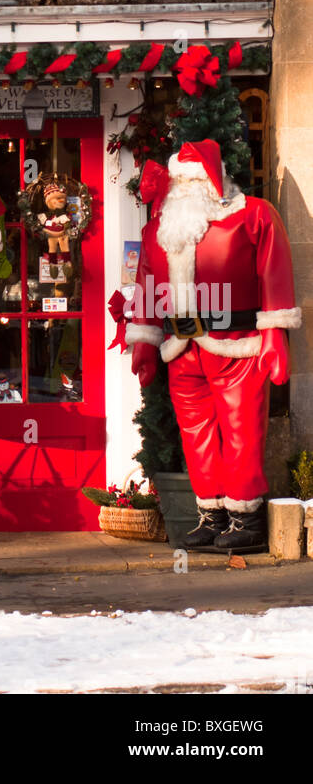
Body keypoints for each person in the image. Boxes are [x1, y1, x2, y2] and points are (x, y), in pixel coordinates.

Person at [124, 140, 301, 550]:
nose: (182, 186)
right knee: (196, 434)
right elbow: (148, 283)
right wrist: (145, 341)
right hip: (181, 346)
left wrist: (275, 332)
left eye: (190, 178)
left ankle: (246, 517)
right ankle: (213, 513)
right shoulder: (159, 227)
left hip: (235, 342)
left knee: (241, 430)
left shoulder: (253, 215)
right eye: (178, 179)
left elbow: (274, 271)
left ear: (212, 177)